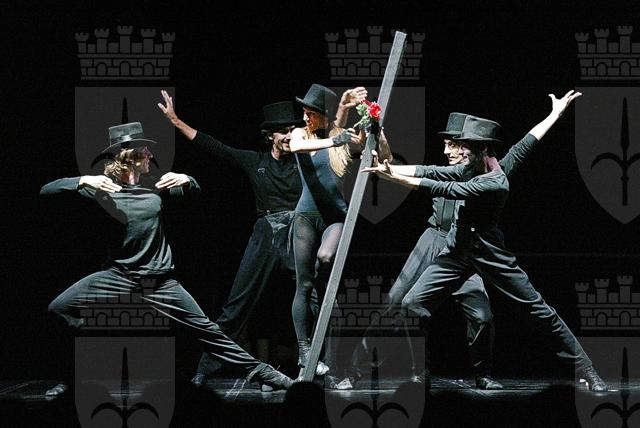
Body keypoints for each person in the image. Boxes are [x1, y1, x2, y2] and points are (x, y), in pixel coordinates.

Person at [362, 91, 609, 392]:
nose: (460, 151)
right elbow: (435, 169)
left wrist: (393, 178)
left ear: (483, 150)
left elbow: (443, 187)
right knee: (411, 304)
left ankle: (586, 369)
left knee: (537, 310)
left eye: (466, 147)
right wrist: (554, 114)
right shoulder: (469, 168)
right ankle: (420, 373)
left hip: (489, 254)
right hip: (457, 250)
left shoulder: (495, 181)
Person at [41, 122, 293, 397]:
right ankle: (70, 378)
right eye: (145, 150)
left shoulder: (156, 185)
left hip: (160, 281)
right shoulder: (103, 188)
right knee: (59, 308)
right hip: (119, 277)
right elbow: (47, 191)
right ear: (129, 156)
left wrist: (187, 179)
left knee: (209, 331)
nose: (151, 155)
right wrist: (81, 180)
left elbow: (194, 190)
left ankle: (267, 374)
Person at [157, 88, 367, 387]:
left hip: (298, 231)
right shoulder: (255, 161)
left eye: (291, 129)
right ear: (270, 136)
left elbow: (332, 141)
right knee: (237, 304)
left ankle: (324, 366)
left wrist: (344, 114)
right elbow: (215, 146)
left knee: (317, 298)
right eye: (282, 131)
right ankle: (205, 369)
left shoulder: (305, 157)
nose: (288, 135)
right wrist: (176, 121)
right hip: (266, 235)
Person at [288, 83, 390, 377]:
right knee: (303, 286)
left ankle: (325, 302)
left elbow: (382, 155)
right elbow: (296, 147)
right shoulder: (302, 135)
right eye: (304, 113)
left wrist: (377, 129)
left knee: (325, 256)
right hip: (306, 217)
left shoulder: (340, 139)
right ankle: (304, 350)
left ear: (323, 115)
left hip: (335, 217)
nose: (306, 118)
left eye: (311, 114)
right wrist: (335, 139)